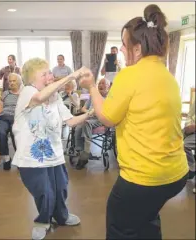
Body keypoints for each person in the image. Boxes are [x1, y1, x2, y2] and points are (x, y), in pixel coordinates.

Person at [78, 4, 189, 239]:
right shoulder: (167, 75)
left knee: (121, 226)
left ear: (137, 49)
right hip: (176, 173)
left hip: (145, 178)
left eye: (124, 47)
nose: (122, 53)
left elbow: (107, 117)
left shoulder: (130, 74)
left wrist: (90, 87)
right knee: (146, 218)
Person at [12, 58, 93, 240]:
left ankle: (62, 216)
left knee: (61, 188)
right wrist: (71, 76)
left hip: (54, 154)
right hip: (32, 157)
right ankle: (43, 221)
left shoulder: (55, 97)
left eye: (50, 72)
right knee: (44, 192)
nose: (51, 75)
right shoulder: (28, 91)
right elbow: (40, 98)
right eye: (45, 73)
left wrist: (91, 113)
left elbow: (71, 121)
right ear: (33, 79)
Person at [75, 78, 110, 170]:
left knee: (85, 123)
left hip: (100, 119)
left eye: (103, 83)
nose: (100, 85)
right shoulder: (93, 96)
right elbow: (83, 109)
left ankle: (85, 153)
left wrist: (97, 112)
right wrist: (89, 112)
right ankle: (80, 150)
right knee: (78, 125)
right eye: (99, 83)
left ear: (108, 87)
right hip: (89, 116)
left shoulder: (110, 98)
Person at [0, 73, 23, 171]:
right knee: (0, 133)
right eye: (10, 81)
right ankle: (6, 158)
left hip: (17, 117)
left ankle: (20, 159)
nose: (11, 83)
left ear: (19, 82)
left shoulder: (23, 93)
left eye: (14, 81)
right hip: (4, 117)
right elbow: (0, 106)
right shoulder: (5, 93)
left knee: (16, 135)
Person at [184, 99, 195, 182]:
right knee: (173, 139)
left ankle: (192, 169)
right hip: (191, 129)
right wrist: (189, 126)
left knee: (184, 145)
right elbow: (190, 115)